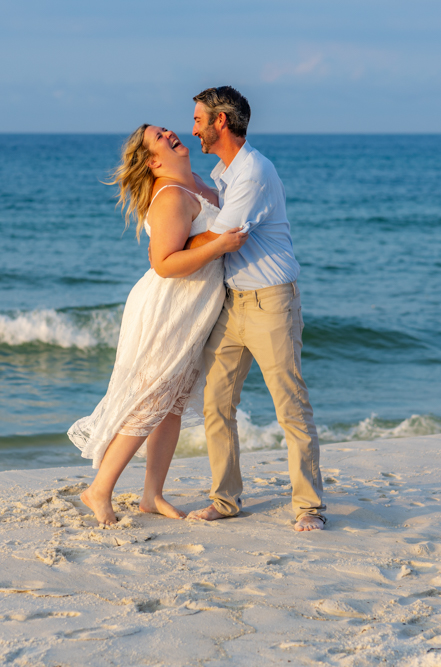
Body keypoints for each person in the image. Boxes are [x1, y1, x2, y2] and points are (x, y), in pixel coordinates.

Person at [68, 124, 249, 525]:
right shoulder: (169, 197)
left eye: (167, 130)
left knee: (172, 405)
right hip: (168, 307)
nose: (170, 134)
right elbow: (164, 264)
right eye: (159, 138)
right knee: (149, 400)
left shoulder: (198, 183)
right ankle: (98, 490)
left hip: (193, 310)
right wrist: (220, 245)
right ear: (153, 161)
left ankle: (152, 495)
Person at [183, 86, 327, 532]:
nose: (194, 129)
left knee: (291, 406)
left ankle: (309, 507)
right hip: (233, 301)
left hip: (270, 302)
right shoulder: (225, 171)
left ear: (220, 122)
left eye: (198, 120)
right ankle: (226, 500)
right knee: (216, 403)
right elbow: (216, 219)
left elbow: (224, 234)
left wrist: (174, 250)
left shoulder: (254, 172)